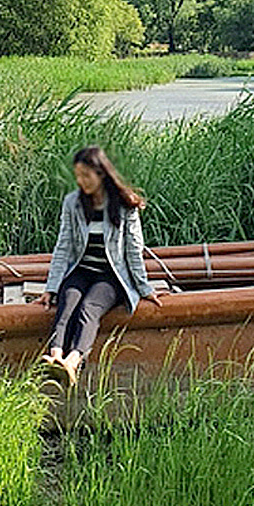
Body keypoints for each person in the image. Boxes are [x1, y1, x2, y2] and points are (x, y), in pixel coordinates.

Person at [38, 145, 161, 386]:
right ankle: (55, 357)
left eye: (86, 176)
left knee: (88, 308)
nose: (81, 181)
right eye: (78, 176)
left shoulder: (125, 205)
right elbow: (63, 247)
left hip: (110, 275)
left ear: (101, 174)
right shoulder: (72, 203)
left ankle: (73, 362)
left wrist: (144, 288)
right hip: (81, 270)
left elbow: (133, 251)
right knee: (66, 304)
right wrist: (50, 288)